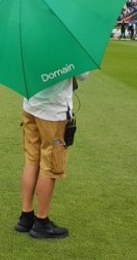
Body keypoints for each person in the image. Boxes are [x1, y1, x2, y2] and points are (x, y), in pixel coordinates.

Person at [15, 72, 89, 239]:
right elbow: (84, 74)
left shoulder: (28, 44)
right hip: (53, 111)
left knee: (32, 160)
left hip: (30, 105)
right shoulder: (66, 45)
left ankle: (26, 217)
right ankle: (42, 222)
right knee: (49, 166)